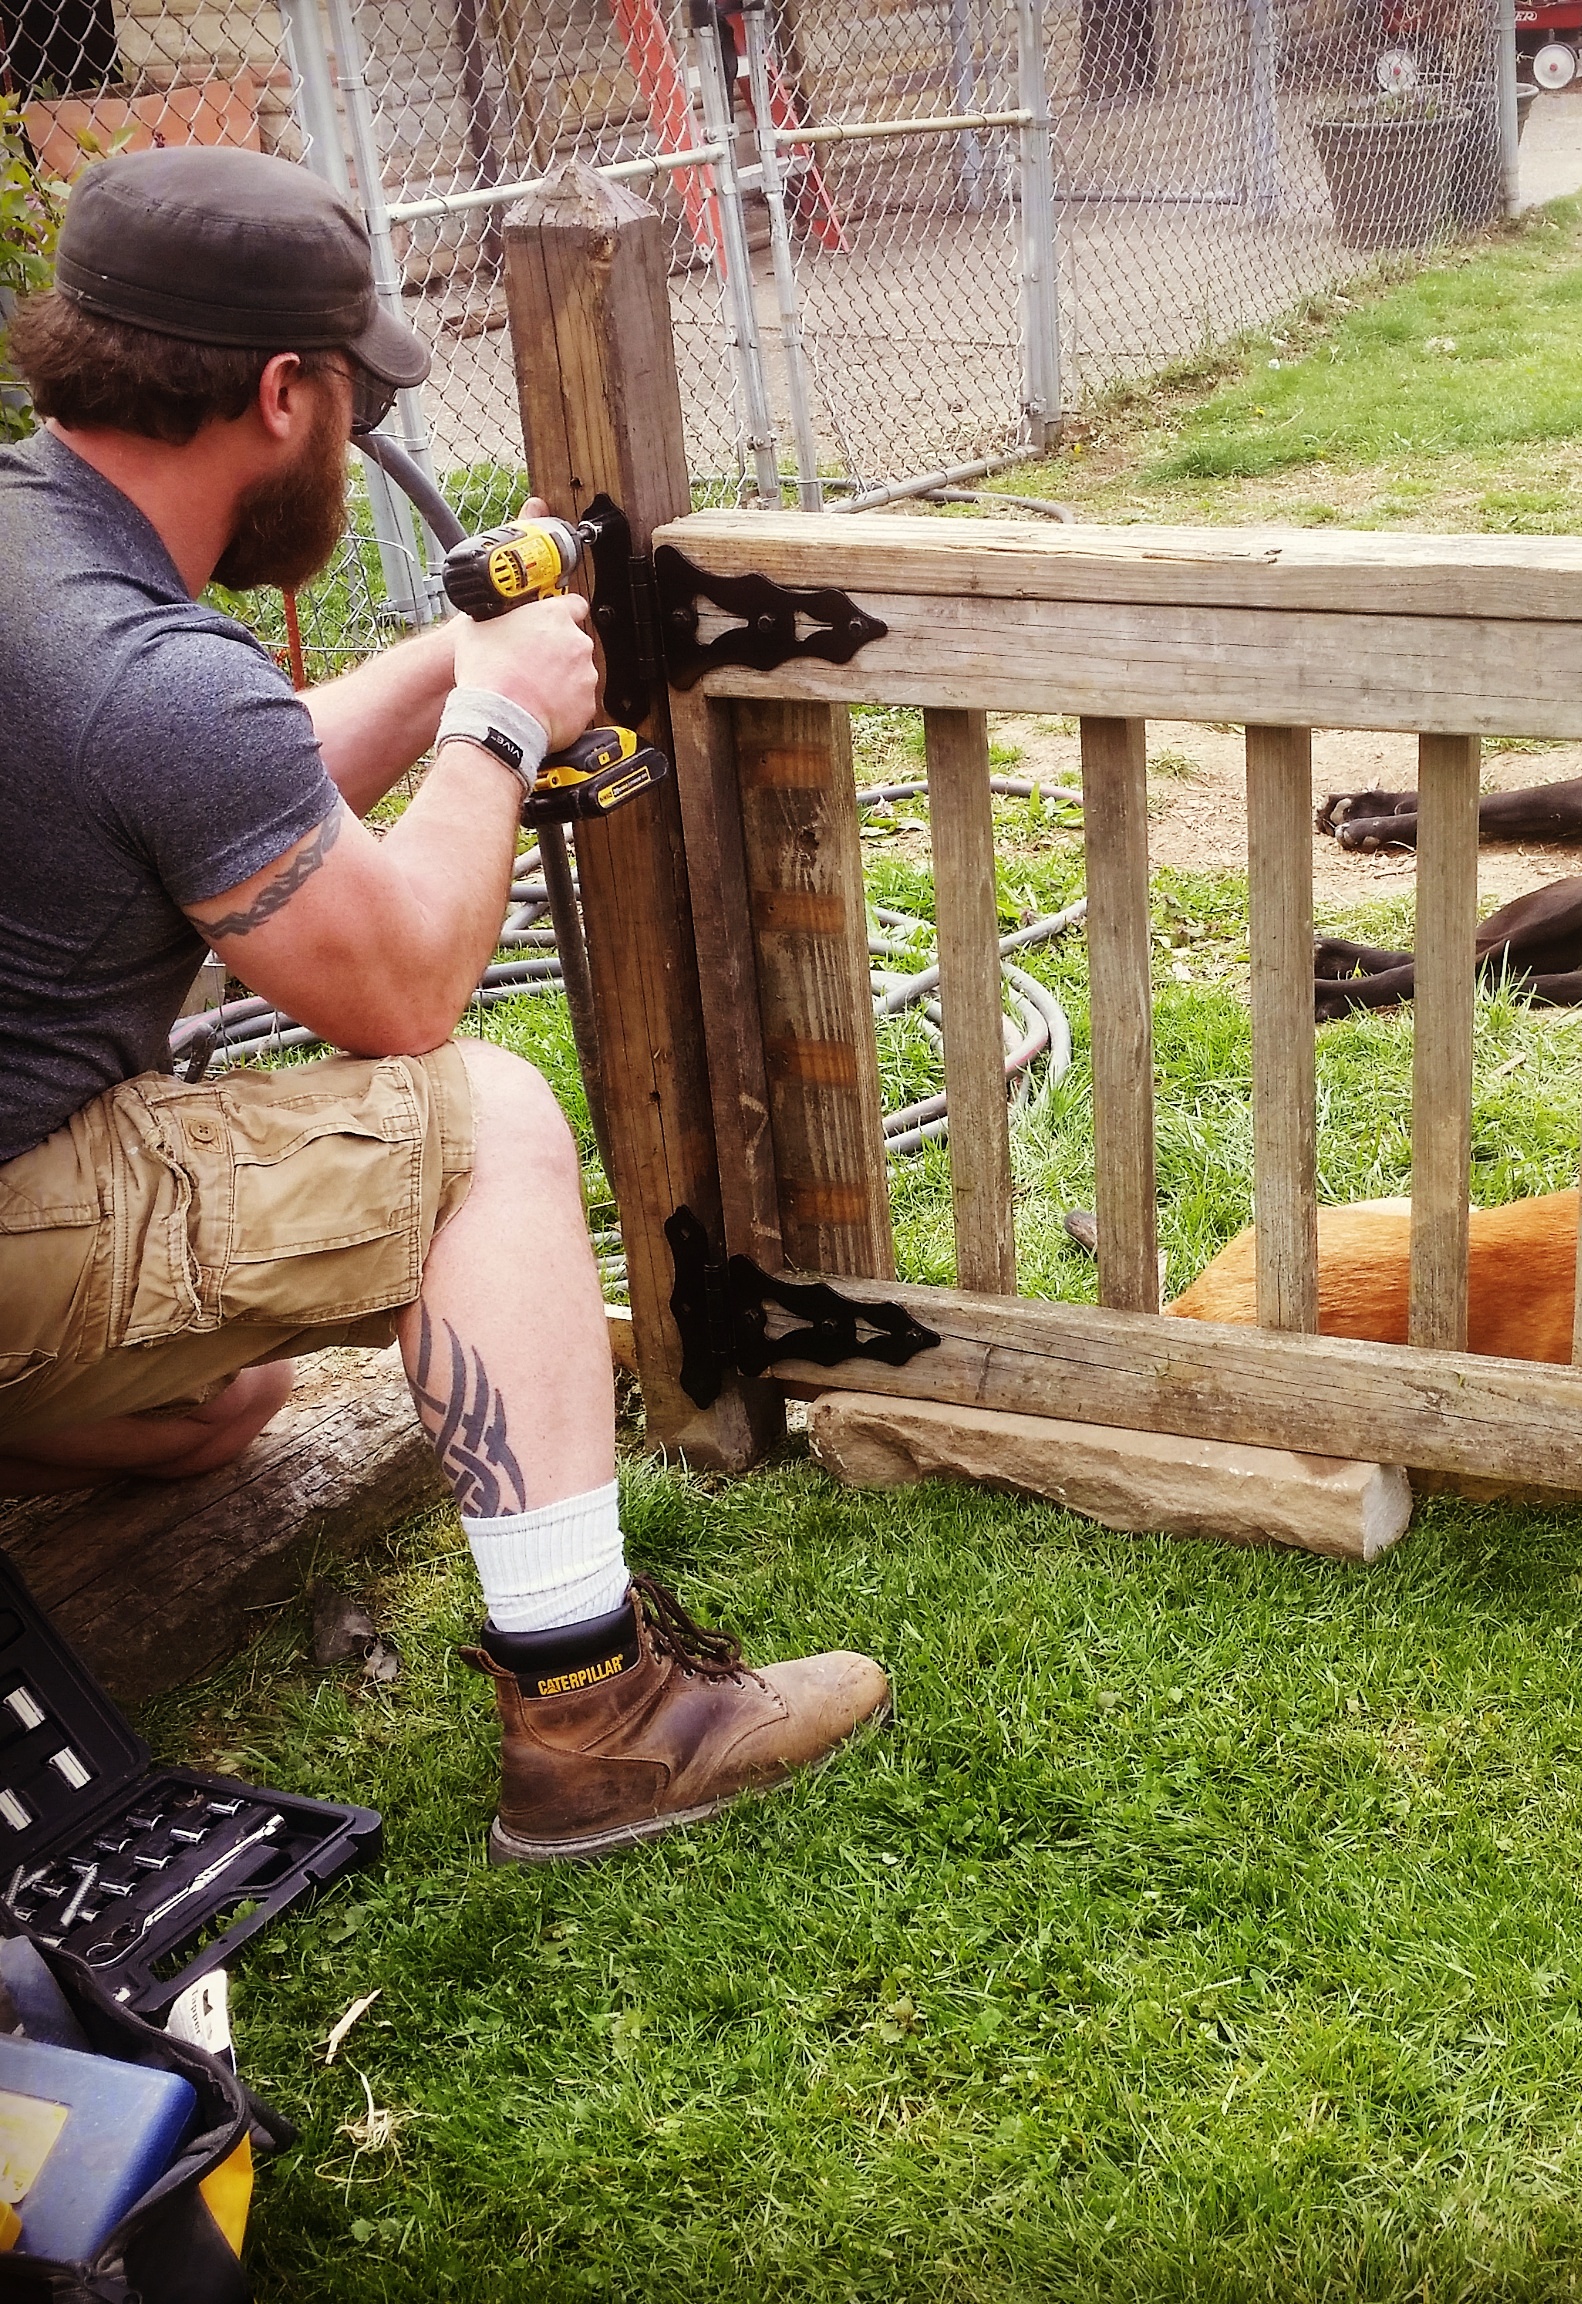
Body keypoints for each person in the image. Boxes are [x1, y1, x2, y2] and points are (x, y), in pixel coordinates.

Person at [0, 148, 889, 1865]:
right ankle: (593, 1714)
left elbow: (210, 784)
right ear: (283, 393)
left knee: (216, 1411)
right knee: (483, 1120)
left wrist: (465, 661)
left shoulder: (41, 562)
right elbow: (399, 986)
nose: (353, 437)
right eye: (355, 398)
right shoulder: (142, 675)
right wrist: (494, 727)